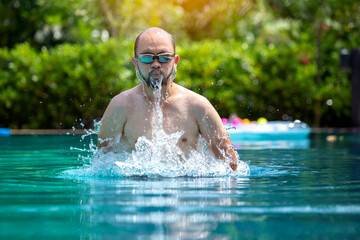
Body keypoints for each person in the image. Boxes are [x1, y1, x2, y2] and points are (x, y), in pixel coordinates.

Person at [97, 27, 238, 170]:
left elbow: (232, 166)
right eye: (147, 57)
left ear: (175, 61)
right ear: (135, 62)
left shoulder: (198, 107)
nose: (156, 64)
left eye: (164, 57)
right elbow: (102, 166)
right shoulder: (120, 106)